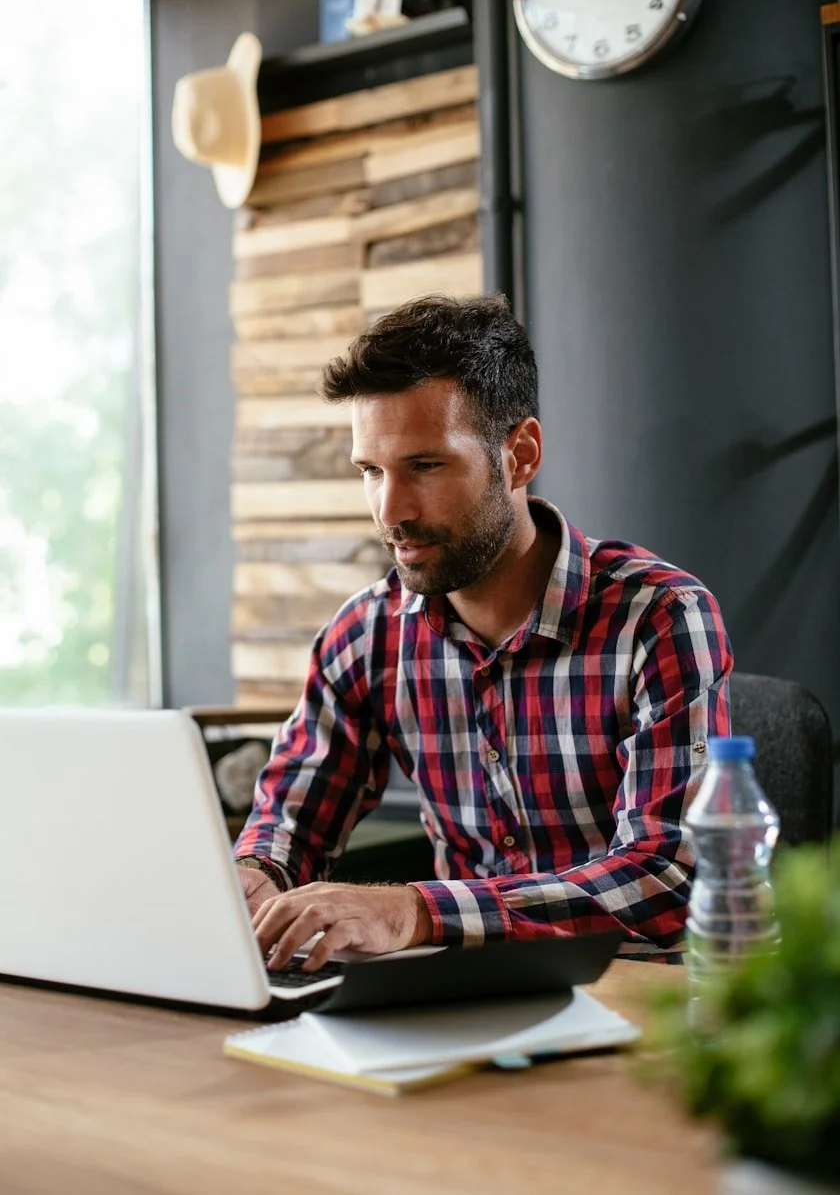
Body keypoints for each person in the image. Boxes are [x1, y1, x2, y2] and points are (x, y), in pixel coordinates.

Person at [235, 293, 733, 973]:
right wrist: (260, 875)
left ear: (520, 455)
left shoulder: (661, 617)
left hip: (639, 1001)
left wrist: (414, 912)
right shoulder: (365, 637)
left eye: (426, 466)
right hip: (458, 998)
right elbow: (291, 820)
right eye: (371, 471)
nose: (391, 511)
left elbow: (668, 881)